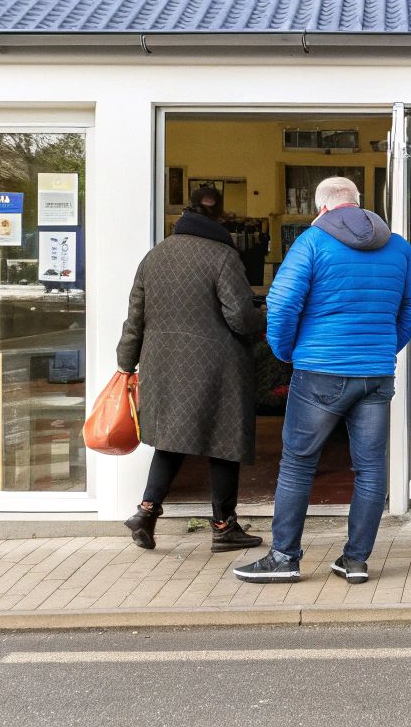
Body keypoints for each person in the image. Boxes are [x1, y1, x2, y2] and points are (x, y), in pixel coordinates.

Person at [233, 176, 411, 585]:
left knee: (298, 465)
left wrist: (286, 351)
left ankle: (284, 557)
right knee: (372, 470)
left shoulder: (311, 242)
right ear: (358, 204)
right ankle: (355, 561)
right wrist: (385, 345)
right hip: (374, 375)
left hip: (320, 370)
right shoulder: (397, 245)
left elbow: (282, 302)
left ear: (321, 208)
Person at [116, 185, 265, 552]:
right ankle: (223, 526)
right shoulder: (223, 256)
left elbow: (135, 318)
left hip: (163, 364)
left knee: (170, 441)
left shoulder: (154, 256)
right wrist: (266, 314)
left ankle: (146, 512)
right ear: (218, 218)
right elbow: (241, 319)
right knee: (224, 443)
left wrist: (125, 363)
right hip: (217, 366)